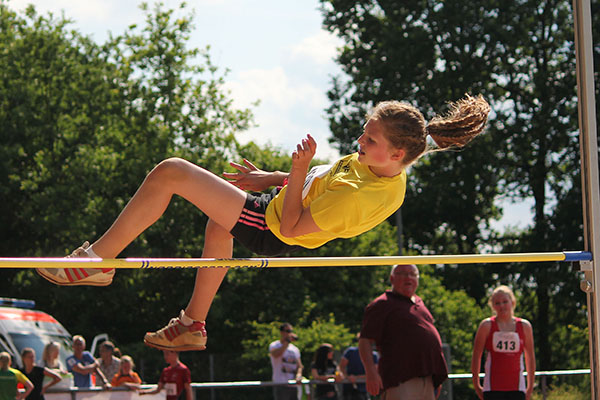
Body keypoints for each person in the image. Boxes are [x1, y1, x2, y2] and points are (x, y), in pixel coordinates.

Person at [36, 95, 490, 352]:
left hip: (280, 227)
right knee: (217, 226)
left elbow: (292, 226)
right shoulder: (378, 163)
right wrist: (270, 178)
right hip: (276, 207)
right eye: (364, 131)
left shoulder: (362, 196)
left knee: (171, 171)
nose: (359, 140)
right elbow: (320, 179)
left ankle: (100, 260)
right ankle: (193, 324)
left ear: (396, 155)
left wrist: (290, 175)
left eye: (368, 139)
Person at [359, 264, 448, 399]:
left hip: (427, 379)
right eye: (403, 273)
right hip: (400, 379)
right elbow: (365, 340)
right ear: (392, 278)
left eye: (413, 274)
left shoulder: (419, 302)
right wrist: (371, 372)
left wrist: (436, 375)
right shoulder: (382, 304)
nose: (408, 278)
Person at [471, 285, 536, 400]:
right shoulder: (486, 326)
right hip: (492, 388)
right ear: (493, 306)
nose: (502, 306)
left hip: (517, 388)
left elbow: (530, 357)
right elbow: (476, 356)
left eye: (505, 301)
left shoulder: (524, 326)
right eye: (497, 303)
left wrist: (530, 387)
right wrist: (477, 385)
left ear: (513, 302)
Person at [269, 323, 303, 400]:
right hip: (281, 384)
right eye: (287, 331)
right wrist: (286, 342)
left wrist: (299, 375)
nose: (290, 333)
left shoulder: (295, 349)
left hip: (293, 385)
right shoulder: (274, 345)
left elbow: (299, 366)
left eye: (291, 331)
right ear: (281, 332)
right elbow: (276, 354)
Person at [339, 333, 377, 400]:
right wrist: (347, 377)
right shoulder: (350, 352)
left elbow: (375, 372)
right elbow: (341, 367)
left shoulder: (374, 355)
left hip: (363, 389)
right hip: (349, 389)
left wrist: (356, 378)